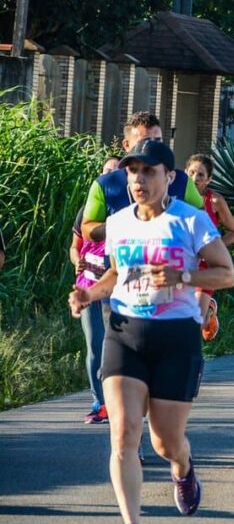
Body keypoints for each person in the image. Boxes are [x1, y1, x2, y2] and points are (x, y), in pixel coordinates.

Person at [67, 139, 234, 524]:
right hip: (125, 333)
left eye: (148, 171)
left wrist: (182, 275)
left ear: (169, 177)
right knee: (123, 434)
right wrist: (88, 295)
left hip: (176, 338)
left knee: (165, 442)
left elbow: (226, 274)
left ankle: (184, 468)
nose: (138, 180)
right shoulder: (119, 222)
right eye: (132, 172)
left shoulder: (192, 220)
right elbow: (116, 275)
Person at [80, 112, 204, 244]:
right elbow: (86, 229)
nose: (153, 147)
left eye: (158, 141)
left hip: (171, 261)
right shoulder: (105, 184)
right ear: (127, 145)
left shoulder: (181, 180)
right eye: (145, 142)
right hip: (122, 261)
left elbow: (202, 218)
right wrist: (119, 226)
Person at [71, 156, 121, 424]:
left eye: (116, 171)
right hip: (89, 281)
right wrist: (75, 260)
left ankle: (117, 401)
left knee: (114, 344)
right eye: (106, 171)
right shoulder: (88, 211)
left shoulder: (129, 212)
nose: (110, 175)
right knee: (94, 343)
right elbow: (74, 245)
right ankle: (99, 401)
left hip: (116, 285)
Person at [184, 154, 234, 342]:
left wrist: (212, 249)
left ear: (209, 179)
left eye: (200, 175)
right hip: (182, 264)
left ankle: (194, 367)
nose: (195, 179)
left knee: (195, 323)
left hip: (206, 267)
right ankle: (210, 309)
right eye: (191, 173)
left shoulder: (214, 201)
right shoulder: (176, 198)